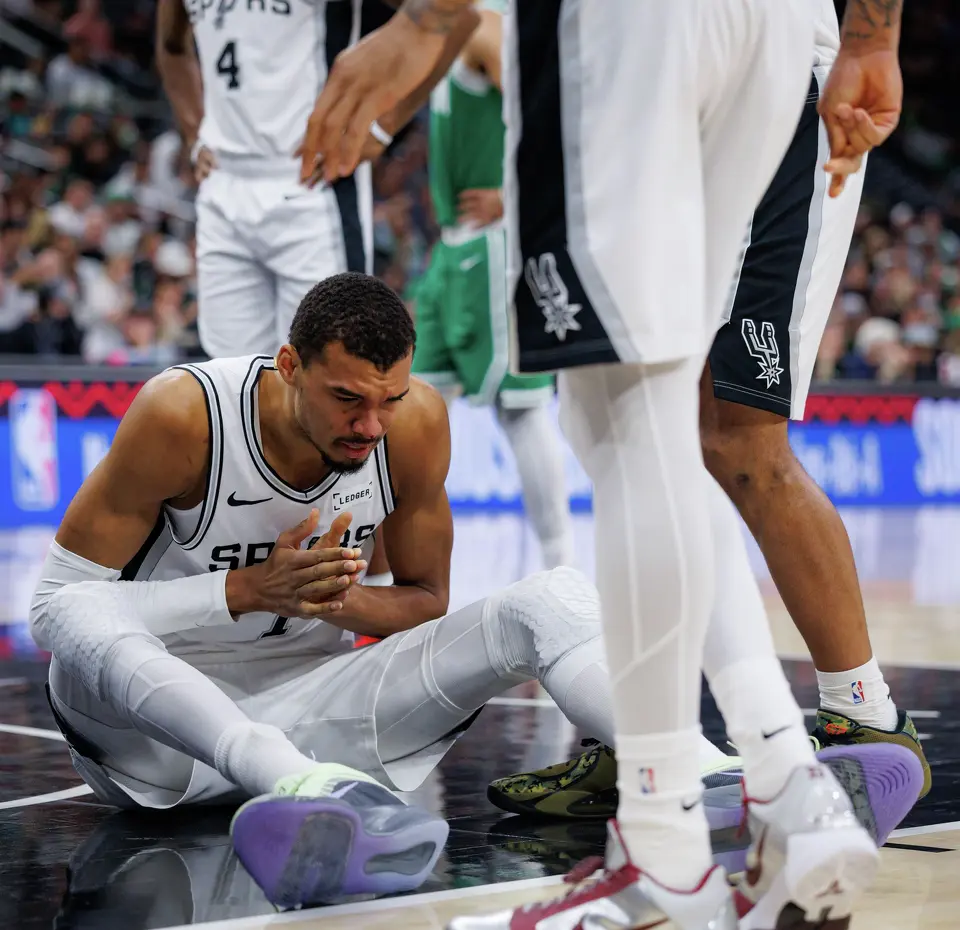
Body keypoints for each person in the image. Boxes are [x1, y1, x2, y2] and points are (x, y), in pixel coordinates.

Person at [296, 1, 909, 928]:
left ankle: (664, 850)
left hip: (628, 23)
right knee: (670, 417)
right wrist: (874, 35)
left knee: (621, 413)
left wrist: (426, 16)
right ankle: (788, 785)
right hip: (787, 30)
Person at [29, 272, 624, 909]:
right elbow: (52, 607)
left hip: (309, 718)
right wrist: (247, 590)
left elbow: (426, 598)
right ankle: (297, 786)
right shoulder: (186, 414)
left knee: (549, 596)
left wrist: (336, 597)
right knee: (79, 613)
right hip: (150, 743)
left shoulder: (414, 424)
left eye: (388, 399)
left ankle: (673, 762)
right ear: (289, 366)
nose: (370, 425)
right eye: (347, 399)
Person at [154, 0, 478, 358]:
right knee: (235, 379)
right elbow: (172, 46)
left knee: (329, 370)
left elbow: (459, 18)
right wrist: (193, 133)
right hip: (222, 189)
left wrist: (385, 126)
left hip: (311, 187)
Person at [411, 0, 573, 570]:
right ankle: (392, 567)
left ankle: (561, 566)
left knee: (522, 407)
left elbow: (550, 110)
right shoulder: (449, 25)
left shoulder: (485, 23)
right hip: (456, 248)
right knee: (410, 402)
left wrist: (515, 197)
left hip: (497, 242)